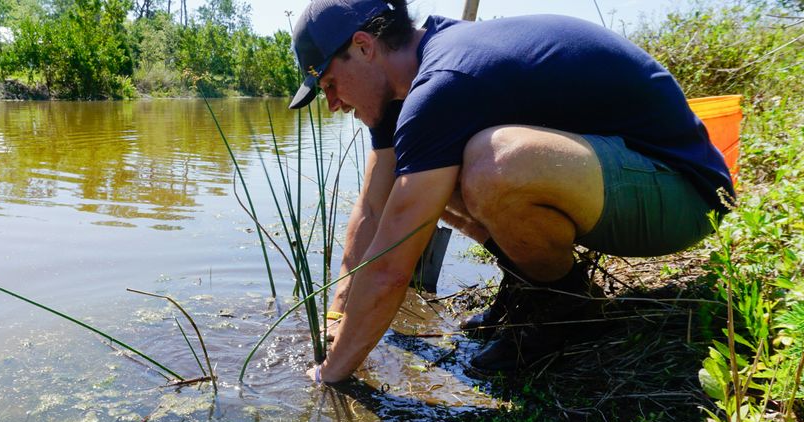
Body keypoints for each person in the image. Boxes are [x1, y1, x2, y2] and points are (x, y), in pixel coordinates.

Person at [288, 0, 734, 383]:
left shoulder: (443, 80)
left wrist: (330, 373)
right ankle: (534, 283)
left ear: (364, 46)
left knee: (490, 163)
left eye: (329, 84)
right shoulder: (402, 88)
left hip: (684, 194)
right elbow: (373, 207)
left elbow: (390, 269)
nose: (334, 104)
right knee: (426, 183)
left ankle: (561, 304)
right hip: (610, 179)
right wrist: (338, 313)